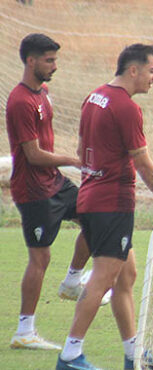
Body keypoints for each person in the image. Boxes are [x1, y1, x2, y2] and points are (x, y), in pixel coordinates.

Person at [56, 43, 153, 370]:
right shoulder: (126, 108)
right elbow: (143, 163)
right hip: (111, 203)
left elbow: (81, 147)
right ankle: (70, 355)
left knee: (126, 276)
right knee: (102, 278)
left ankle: (134, 355)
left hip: (92, 197)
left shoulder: (95, 96)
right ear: (134, 70)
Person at [6, 33, 106, 351]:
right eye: (49, 60)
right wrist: (76, 160)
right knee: (40, 257)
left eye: (55, 59)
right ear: (31, 61)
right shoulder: (20, 101)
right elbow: (33, 156)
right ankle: (25, 331)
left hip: (55, 182)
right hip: (34, 191)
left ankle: (72, 281)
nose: (55, 66)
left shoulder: (43, 93)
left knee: (98, 214)